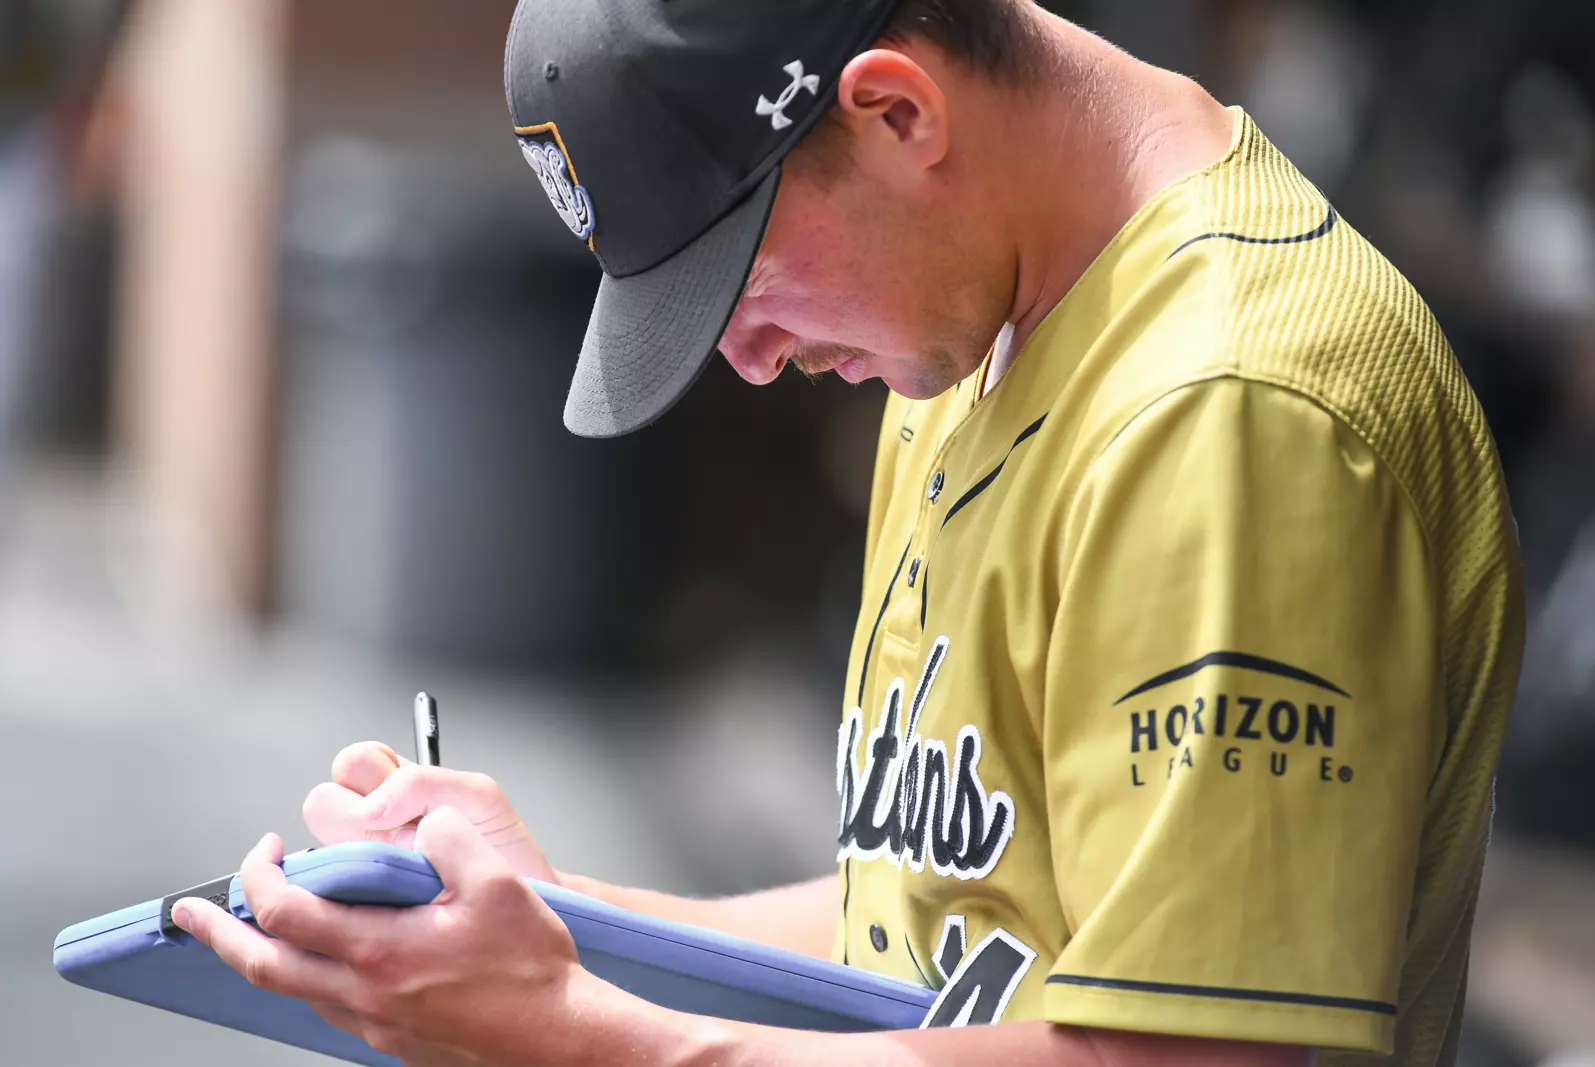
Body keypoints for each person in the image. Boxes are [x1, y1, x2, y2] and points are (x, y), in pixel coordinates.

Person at [172, 1, 1524, 1065]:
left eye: (741, 278)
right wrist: (550, 923)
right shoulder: (968, 328)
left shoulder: (1226, 410)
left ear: (894, 110)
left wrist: (576, 1035)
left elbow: (1180, 1055)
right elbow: (939, 912)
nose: (750, 361)